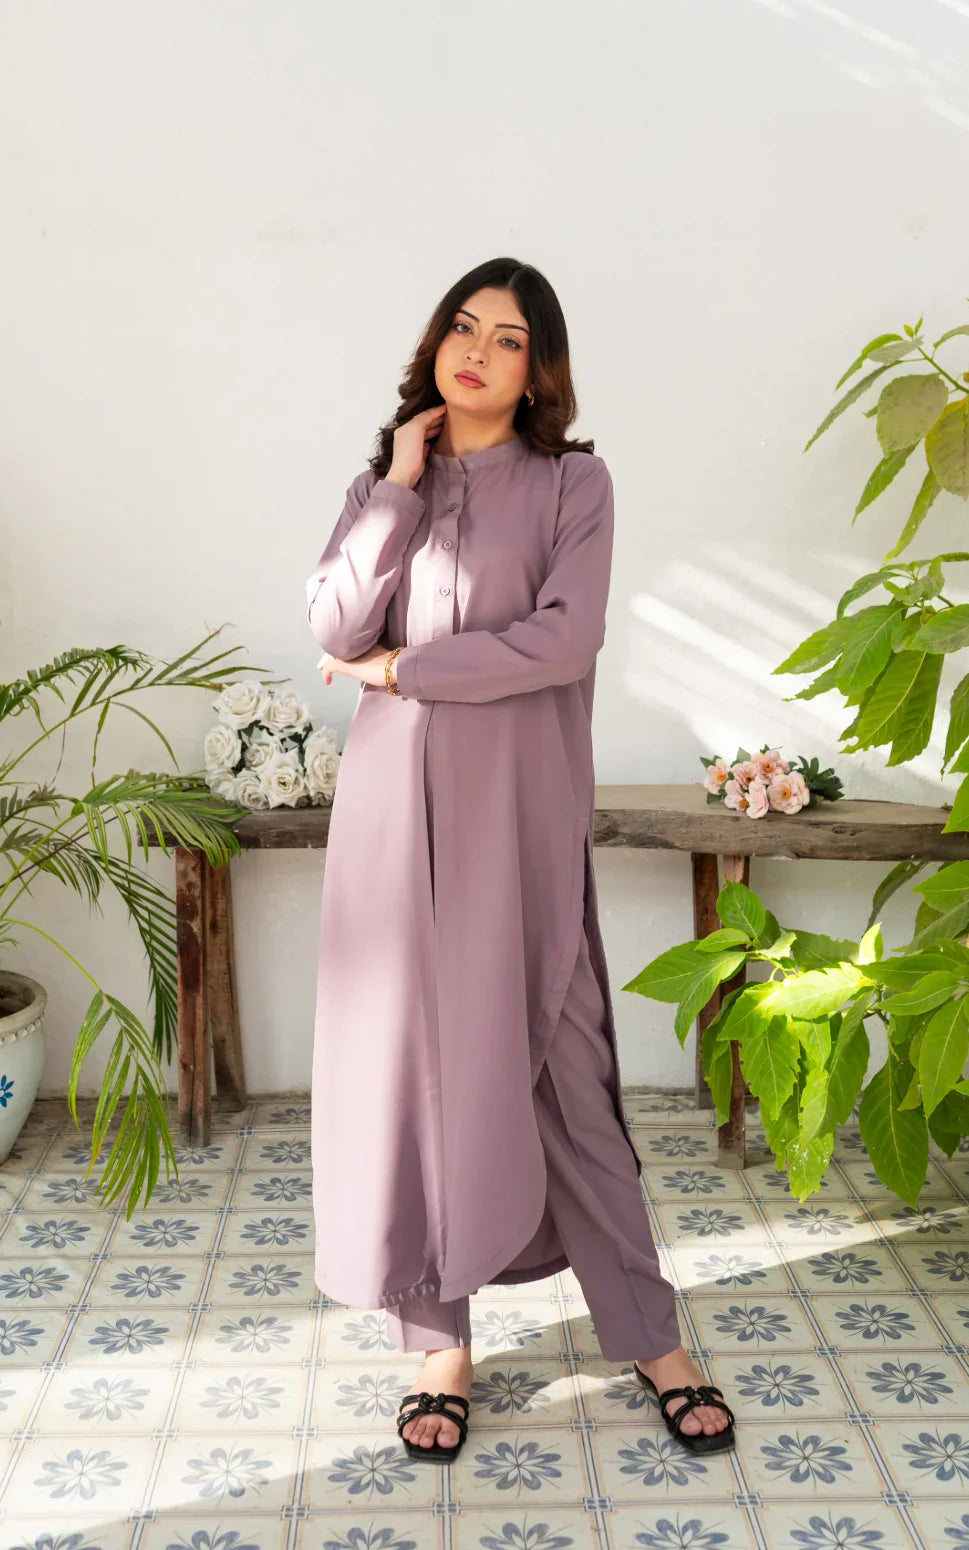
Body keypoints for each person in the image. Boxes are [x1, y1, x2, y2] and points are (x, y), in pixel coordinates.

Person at [304, 257, 735, 1463]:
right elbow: (334, 623)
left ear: (539, 368)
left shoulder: (573, 484)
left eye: (507, 337)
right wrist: (398, 486)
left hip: (517, 818)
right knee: (416, 1077)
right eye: (462, 325)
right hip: (394, 824)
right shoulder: (382, 484)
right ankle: (438, 1347)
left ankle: (652, 1337)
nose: (477, 350)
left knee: (564, 1068)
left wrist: (405, 669)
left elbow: (562, 638)